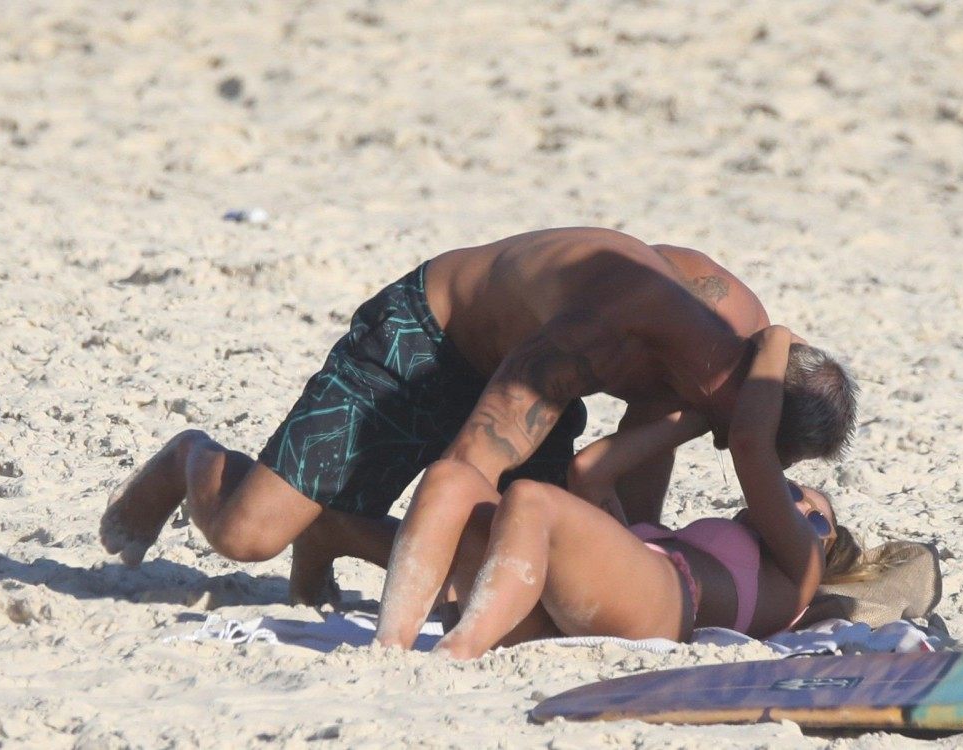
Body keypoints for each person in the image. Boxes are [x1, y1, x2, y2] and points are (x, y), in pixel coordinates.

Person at [99, 228, 857, 605]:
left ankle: (331, 531)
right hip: (427, 340)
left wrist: (636, 568)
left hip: (534, 374)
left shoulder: (726, 339)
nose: (727, 447)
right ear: (745, 406)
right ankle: (187, 459)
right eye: (740, 440)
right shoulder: (611, 329)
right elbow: (465, 467)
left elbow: (630, 506)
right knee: (246, 535)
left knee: (508, 578)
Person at [375, 326, 870, 657]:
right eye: (797, 492)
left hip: (668, 602)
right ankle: (391, 647)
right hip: (575, 604)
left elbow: (750, 443)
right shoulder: (675, 540)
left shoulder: (801, 566)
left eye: (817, 518)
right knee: (451, 478)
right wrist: (696, 419)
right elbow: (590, 471)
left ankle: (459, 650)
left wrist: (776, 338)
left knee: (531, 499)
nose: (800, 506)